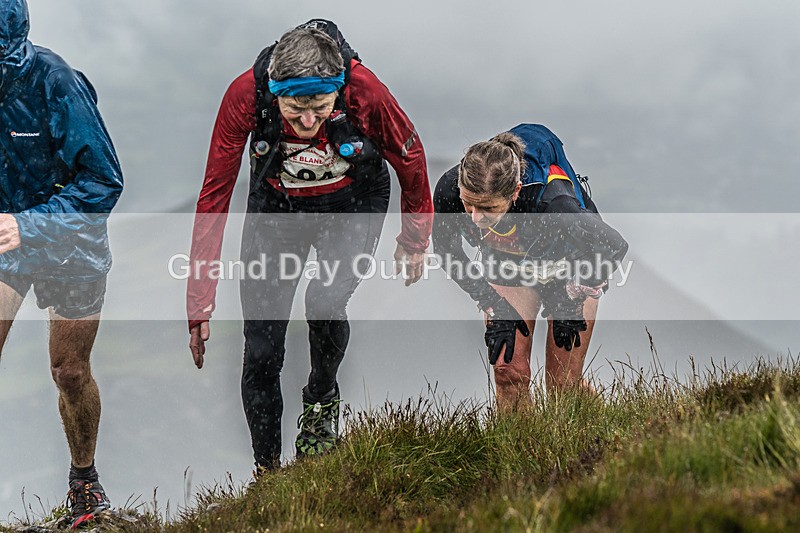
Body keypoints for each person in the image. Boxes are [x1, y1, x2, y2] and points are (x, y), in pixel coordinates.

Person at [187, 20, 433, 474]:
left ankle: (320, 404)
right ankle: (268, 471)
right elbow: (214, 195)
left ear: (337, 92)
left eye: (319, 107)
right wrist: (199, 302)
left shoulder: (365, 92)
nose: (304, 122)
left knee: (324, 300)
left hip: (353, 203)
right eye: (293, 109)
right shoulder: (245, 95)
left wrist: (415, 237)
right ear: (273, 92)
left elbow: (409, 155)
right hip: (277, 209)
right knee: (260, 347)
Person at [0, 0, 124, 528]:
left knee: (69, 371)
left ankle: (84, 483)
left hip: (71, 241)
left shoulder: (54, 82)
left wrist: (29, 223)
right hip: (5, 243)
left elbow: (104, 182)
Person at [433, 124, 627, 409]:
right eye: (469, 205)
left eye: (488, 208)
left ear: (515, 192)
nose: (475, 218)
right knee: (508, 374)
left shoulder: (554, 203)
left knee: (563, 385)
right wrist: (489, 302)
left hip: (569, 267)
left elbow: (613, 246)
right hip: (508, 266)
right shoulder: (450, 190)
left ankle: (605, 439)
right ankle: (520, 451)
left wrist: (574, 297)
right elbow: (446, 250)